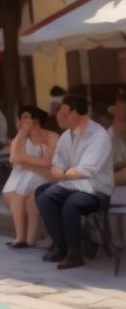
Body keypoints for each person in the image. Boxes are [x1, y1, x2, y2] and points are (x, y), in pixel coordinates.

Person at [34, 94, 114, 270]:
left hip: (96, 188)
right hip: (73, 184)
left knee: (70, 203)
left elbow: (87, 170)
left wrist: (63, 174)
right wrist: (59, 173)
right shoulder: (66, 136)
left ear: (78, 113)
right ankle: (63, 247)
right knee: (42, 194)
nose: (59, 116)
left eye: (65, 112)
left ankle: (74, 253)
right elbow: (57, 166)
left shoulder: (98, 135)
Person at [2, 105, 57, 249]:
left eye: (27, 117)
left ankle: (26, 238)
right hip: (25, 174)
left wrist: (25, 161)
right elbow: (14, 158)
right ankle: (23, 238)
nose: (24, 121)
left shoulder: (50, 136)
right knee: (22, 194)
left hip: (47, 174)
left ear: (36, 119)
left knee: (23, 191)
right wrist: (22, 133)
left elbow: (47, 163)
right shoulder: (21, 137)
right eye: (22, 118)